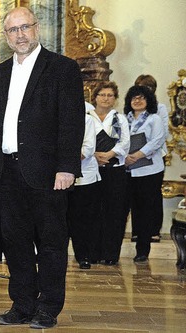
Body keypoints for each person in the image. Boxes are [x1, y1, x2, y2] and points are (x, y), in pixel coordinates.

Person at [0, 7, 85, 329]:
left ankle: (48, 308)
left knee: (51, 242)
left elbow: (72, 121)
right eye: (13, 30)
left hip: (48, 172)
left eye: (25, 27)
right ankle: (22, 304)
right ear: (6, 36)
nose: (20, 34)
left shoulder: (62, 68)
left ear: (37, 29)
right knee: (16, 242)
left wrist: (67, 167)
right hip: (7, 172)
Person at [88, 81, 130, 265]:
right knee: (93, 212)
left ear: (115, 99)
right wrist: (94, 155)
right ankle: (93, 253)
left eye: (110, 95)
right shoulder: (87, 117)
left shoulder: (120, 119)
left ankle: (111, 254)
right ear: (95, 97)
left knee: (115, 214)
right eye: (102, 95)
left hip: (115, 171)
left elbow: (125, 143)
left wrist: (110, 154)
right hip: (92, 171)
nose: (106, 98)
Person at [123, 85, 166, 264]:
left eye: (141, 98)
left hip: (150, 171)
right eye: (134, 98)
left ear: (148, 101)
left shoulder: (154, 119)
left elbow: (158, 140)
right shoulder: (124, 119)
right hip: (128, 170)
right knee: (132, 209)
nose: (137, 101)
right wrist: (125, 156)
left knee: (146, 210)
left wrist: (137, 155)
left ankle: (143, 250)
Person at [134, 74, 168, 242]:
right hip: (133, 160)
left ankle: (153, 230)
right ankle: (137, 230)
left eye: (147, 89)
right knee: (135, 197)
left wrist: (143, 150)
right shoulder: (131, 109)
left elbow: (162, 135)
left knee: (152, 196)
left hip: (154, 156)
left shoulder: (159, 108)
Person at [67, 113, 100, 269]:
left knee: (81, 219)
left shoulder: (86, 118)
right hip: (52, 177)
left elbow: (88, 148)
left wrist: (65, 160)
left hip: (83, 176)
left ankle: (83, 256)